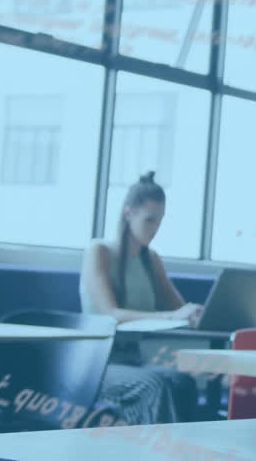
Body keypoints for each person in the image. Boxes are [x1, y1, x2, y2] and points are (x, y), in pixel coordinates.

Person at [80, 171, 202, 425]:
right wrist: (173, 315)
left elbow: (178, 308)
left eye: (160, 221)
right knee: (153, 386)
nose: (155, 229)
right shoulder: (98, 251)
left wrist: (195, 314)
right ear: (128, 214)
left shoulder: (151, 259)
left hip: (132, 361)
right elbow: (110, 314)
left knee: (184, 383)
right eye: (150, 220)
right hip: (97, 364)